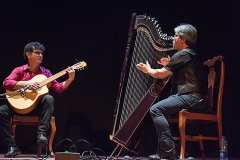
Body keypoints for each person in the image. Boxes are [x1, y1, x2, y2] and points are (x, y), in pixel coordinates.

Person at [136, 24, 208, 160]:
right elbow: (185, 71)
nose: (173, 39)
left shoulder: (183, 54)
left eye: (175, 36)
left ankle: (168, 150)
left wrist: (148, 70)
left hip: (193, 97)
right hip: (195, 97)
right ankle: (174, 150)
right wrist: (170, 64)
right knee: (164, 107)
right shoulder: (188, 55)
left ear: (183, 39)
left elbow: (161, 74)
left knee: (156, 109)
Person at [0, 42, 75, 157]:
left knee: (49, 98)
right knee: (1, 111)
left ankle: (41, 135)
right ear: (28, 55)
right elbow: (6, 83)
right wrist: (27, 84)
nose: (40, 55)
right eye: (37, 53)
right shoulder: (19, 70)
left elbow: (59, 88)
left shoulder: (46, 73)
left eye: (41, 53)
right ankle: (12, 146)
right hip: (17, 105)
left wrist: (70, 79)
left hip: (36, 107)